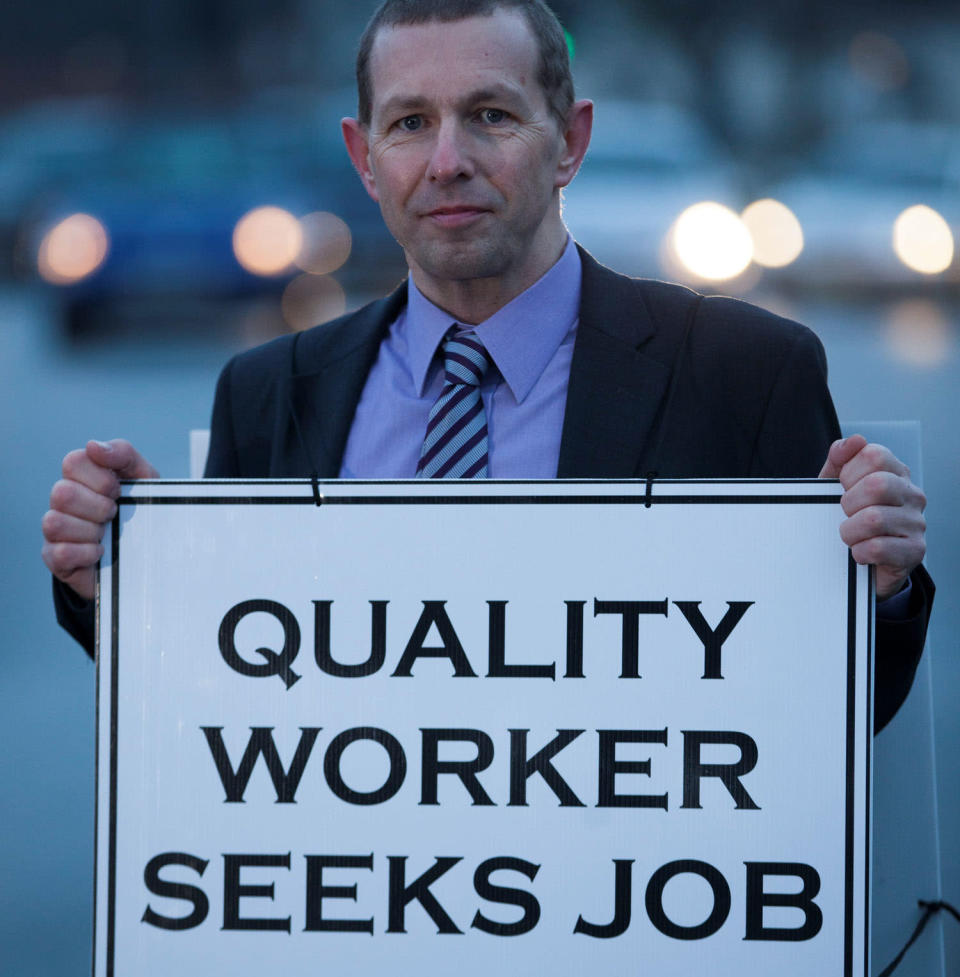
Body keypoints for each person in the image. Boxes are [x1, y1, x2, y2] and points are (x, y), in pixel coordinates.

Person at [42, 0, 931, 731]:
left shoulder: (747, 371)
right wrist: (121, 582)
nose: (448, 161)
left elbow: (832, 720)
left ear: (570, 141)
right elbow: (227, 705)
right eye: (411, 123)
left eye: (491, 116)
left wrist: (879, 591)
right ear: (363, 158)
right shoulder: (269, 391)